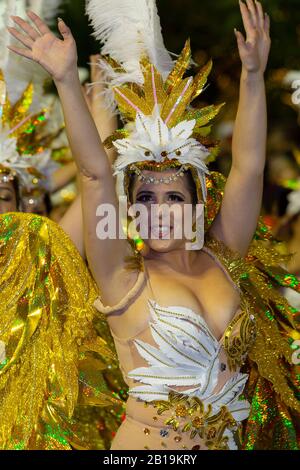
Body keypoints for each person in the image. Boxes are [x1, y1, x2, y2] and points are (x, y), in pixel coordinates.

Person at [7, 0, 300, 451]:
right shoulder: (123, 275)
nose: (158, 210)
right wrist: (66, 79)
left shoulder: (223, 255)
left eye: (174, 198)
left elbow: (247, 166)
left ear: (198, 207)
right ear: (130, 211)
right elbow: (93, 175)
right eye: (145, 197)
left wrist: (254, 77)